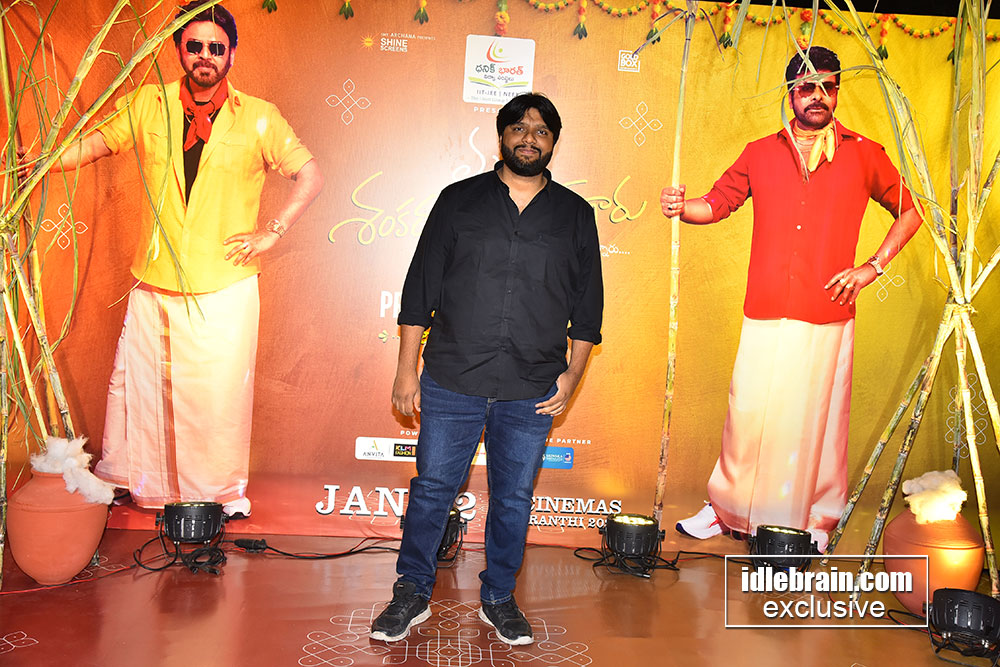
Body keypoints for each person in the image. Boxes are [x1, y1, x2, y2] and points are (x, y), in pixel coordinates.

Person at [37, 1, 322, 517]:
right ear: (179, 51)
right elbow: (97, 144)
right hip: (156, 277)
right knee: (142, 388)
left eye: (216, 47)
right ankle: (144, 484)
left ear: (231, 54)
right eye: (195, 46)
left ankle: (214, 495)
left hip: (225, 284)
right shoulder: (149, 103)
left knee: (216, 398)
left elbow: (310, 175)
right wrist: (40, 164)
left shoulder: (259, 116)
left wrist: (271, 232)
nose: (205, 55)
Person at [660, 46, 921, 552]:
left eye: (827, 86)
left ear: (837, 91)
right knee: (747, 415)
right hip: (764, 306)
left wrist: (872, 267)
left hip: (826, 312)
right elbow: (717, 203)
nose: (817, 96)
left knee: (814, 423)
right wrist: (680, 207)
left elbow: (910, 211)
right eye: (806, 87)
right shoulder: (760, 152)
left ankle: (813, 521)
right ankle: (726, 509)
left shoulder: (865, 152)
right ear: (791, 94)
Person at [371, 93, 603, 645]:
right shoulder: (458, 200)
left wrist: (572, 375)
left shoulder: (575, 214)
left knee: (514, 498)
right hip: (453, 377)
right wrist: (406, 370)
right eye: (518, 128)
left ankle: (499, 597)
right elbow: (419, 288)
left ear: (553, 142)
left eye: (541, 131)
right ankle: (411, 592)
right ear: (501, 137)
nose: (529, 138)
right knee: (433, 489)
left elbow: (588, 305)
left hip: (531, 387)